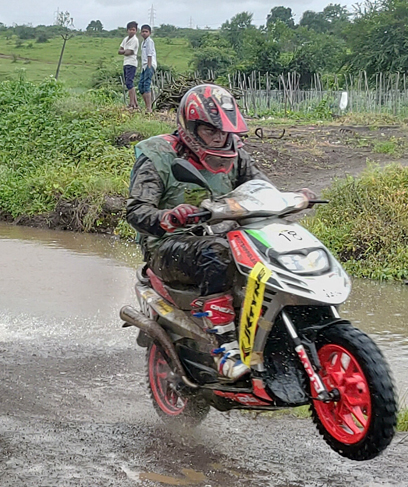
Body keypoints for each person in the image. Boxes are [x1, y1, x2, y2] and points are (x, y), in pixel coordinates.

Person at [127, 85, 314, 381]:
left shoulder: (235, 154)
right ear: (191, 127)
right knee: (217, 253)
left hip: (226, 234)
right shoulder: (158, 155)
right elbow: (136, 210)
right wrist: (168, 217)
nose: (218, 137)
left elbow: (261, 190)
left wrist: (291, 199)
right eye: (209, 130)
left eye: (223, 130)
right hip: (169, 246)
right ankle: (224, 348)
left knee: (276, 249)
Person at [118, 22, 140, 109]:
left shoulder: (135, 40)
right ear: (127, 30)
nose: (132, 31)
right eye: (130, 30)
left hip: (132, 63)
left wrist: (124, 51)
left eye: (133, 30)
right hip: (126, 62)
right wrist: (125, 51)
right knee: (128, 83)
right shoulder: (126, 39)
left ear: (136, 30)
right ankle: (135, 103)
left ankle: (132, 103)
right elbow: (120, 51)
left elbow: (128, 52)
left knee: (129, 82)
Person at [138, 24, 157, 111]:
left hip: (149, 65)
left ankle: (149, 108)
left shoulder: (149, 41)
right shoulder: (143, 43)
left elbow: (149, 55)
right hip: (144, 66)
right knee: (141, 86)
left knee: (146, 85)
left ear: (149, 33)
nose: (144, 33)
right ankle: (147, 106)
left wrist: (149, 66)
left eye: (146, 31)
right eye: (143, 31)